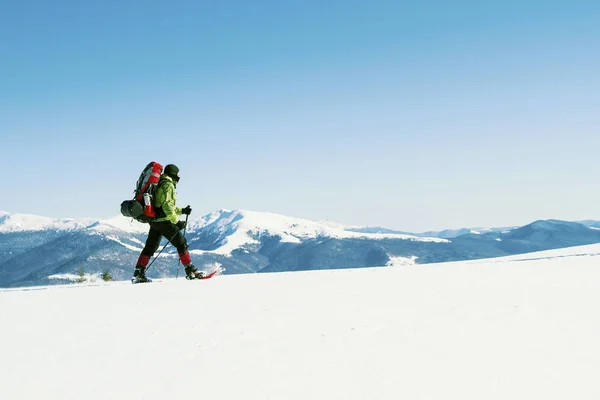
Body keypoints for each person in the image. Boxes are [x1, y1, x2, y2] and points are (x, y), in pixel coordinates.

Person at [132, 164, 205, 283]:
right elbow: (167, 207)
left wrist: (182, 211)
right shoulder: (168, 185)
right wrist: (177, 222)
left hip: (154, 220)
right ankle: (190, 270)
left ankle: (138, 273)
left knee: (150, 246)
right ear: (174, 174)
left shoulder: (159, 182)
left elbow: (161, 206)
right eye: (177, 174)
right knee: (181, 242)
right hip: (163, 221)